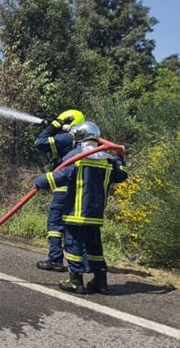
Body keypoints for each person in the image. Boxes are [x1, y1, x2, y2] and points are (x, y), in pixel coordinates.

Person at [33, 122, 128, 294]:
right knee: (94, 248)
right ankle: (101, 282)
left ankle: (76, 281)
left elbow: (57, 178)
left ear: (79, 138)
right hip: (96, 214)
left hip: (76, 212)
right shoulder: (108, 159)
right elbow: (122, 175)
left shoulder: (76, 157)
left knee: (73, 245)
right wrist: (120, 157)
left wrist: (40, 180)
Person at [33, 109, 85, 272]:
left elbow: (40, 143)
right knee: (76, 226)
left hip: (64, 187)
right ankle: (84, 263)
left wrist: (52, 127)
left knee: (55, 223)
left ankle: (55, 259)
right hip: (81, 189)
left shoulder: (68, 138)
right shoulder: (85, 143)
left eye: (64, 122)